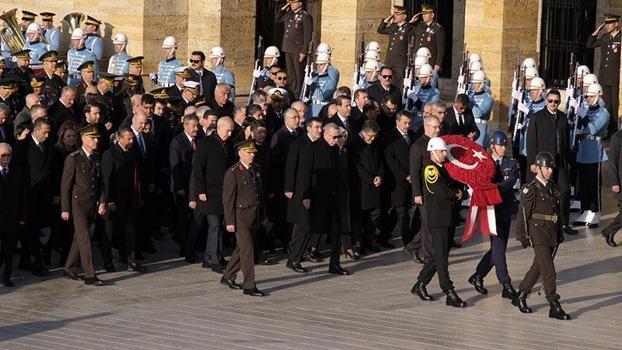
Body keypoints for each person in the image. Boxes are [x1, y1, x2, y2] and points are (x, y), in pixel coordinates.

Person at [513, 151, 571, 320]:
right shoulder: (530, 189)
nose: (550, 171)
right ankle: (554, 304)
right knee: (548, 270)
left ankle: (521, 295)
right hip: (537, 232)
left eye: (551, 168)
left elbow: (556, 212)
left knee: (538, 267)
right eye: (546, 168)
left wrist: (559, 233)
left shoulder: (552, 187)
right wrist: (522, 235)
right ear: (537, 168)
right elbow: (523, 214)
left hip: (551, 231)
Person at [411, 137, 466, 308]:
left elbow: (451, 184)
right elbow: (442, 191)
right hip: (438, 217)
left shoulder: (442, 168)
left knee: (439, 254)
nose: (444, 154)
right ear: (433, 151)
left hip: (446, 216)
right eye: (442, 151)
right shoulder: (430, 169)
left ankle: (420, 284)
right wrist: (459, 194)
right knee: (441, 257)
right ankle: (448, 290)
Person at [468, 130, 519, 300]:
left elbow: (510, 182)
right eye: (500, 145)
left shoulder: (511, 163)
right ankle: (505, 283)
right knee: (498, 246)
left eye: (505, 145)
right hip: (490, 210)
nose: (503, 148)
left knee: (499, 248)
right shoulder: (485, 163)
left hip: (505, 208)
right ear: (492, 146)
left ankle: (478, 275)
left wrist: (493, 188)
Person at [301, 123, 351, 275]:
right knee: (310, 228)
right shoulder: (313, 147)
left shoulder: (336, 150)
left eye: (339, 137)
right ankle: (296, 256)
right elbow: (305, 172)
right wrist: (306, 195)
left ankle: (334, 264)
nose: (337, 140)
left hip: (334, 195)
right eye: (334, 137)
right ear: (325, 134)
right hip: (317, 195)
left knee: (336, 229)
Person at [526, 89, 577, 236]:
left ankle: (564, 223)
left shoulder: (562, 117)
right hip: (543, 162)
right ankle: (538, 222)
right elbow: (531, 142)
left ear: (559, 102)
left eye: (556, 101)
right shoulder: (537, 117)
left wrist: (568, 161)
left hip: (559, 161)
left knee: (564, 190)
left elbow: (566, 140)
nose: (553, 104)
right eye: (550, 101)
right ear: (546, 101)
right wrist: (532, 162)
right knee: (542, 192)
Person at [220, 140, 267, 297]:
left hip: (253, 215)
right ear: (240, 153)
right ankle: (249, 285)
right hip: (240, 217)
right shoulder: (232, 172)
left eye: (253, 152)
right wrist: (230, 221)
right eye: (248, 152)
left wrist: (263, 215)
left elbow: (259, 194)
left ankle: (228, 276)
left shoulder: (256, 169)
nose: (252, 155)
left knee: (241, 249)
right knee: (248, 250)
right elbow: (228, 199)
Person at [61, 125, 106, 286]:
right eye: (92, 138)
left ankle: (69, 268)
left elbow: (100, 183)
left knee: (78, 238)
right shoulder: (73, 158)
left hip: (91, 204)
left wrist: (102, 201)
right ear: (83, 139)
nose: (96, 141)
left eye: (97, 138)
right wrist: (65, 208)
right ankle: (90, 274)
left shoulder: (96, 157)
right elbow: (65, 185)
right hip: (77, 204)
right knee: (85, 238)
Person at [191, 117, 235, 273]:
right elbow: (198, 168)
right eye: (227, 130)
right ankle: (213, 260)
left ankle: (212, 256)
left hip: (223, 193)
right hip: (208, 193)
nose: (229, 134)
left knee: (220, 224)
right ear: (219, 127)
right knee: (214, 224)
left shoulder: (229, 143)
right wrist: (200, 191)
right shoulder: (206, 143)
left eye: (231, 131)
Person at [101, 127, 147, 272]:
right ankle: (107, 261)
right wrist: (107, 200)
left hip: (129, 200)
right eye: (129, 138)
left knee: (130, 231)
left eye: (132, 138)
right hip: (114, 201)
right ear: (120, 138)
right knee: (109, 232)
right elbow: (106, 179)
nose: (132, 141)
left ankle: (130, 260)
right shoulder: (110, 154)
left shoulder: (130, 153)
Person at [13, 118, 54, 277]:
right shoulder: (22, 146)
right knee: (30, 230)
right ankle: (35, 261)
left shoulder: (48, 146)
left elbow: (53, 169)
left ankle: (29, 259)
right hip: (28, 195)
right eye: (45, 132)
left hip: (44, 195)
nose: (47, 135)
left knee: (37, 229)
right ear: (36, 130)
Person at [285, 117, 323, 273]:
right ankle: (293, 258)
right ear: (308, 128)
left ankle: (298, 254)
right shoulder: (299, 144)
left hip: (315, 191)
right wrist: (289, 188)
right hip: (301, 192)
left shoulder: (320, 145)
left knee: (306, 227)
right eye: (316, 127)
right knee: (303, 226)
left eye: (321, 127)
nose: (319, 130)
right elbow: (290, 167)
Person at [405, 115, 441, 263]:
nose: (438, 130)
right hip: (424, 192)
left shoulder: (438, 143)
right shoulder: (418, 146)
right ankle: (428, 255)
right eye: (435, 127)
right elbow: (414, 171)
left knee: (431, 222)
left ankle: (413, 246)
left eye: (439, 127)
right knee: (427, 223)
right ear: (427, 127)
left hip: (436, 190)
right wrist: (417, 193)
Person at [573, 83, 609, 228]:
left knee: (593, 185)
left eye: (591, 96)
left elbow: (593, 129)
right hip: (582, 152)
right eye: (587, 96)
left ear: (598, 96)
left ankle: (595, 212)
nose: (588, 99)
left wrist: (583, 117)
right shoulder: (586, 110)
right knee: (584, 185)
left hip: (595, 152)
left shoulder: (603, 113)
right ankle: (586, 210)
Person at [382, 111, 417, 248]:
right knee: (402, 213)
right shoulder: (389, 137)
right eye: (405, 123)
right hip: (397, 181)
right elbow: (390, 160)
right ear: (397, 122)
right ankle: (408, 242)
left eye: (409, 123)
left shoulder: (412, 136)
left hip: (411, 180)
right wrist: (404, 176)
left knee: (399, 212)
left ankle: (384, 235)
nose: (407, 126)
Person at [350, 119, 384, 254]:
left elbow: (380, 161)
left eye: (375, 135)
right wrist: (370, 179)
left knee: (375, 213)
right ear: (363, 132)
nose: (373, 138)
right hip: (361, 186)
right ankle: (359, 243)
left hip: (375, 185)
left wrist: (380, 175)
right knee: (360, 217)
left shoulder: (375, 143)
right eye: (370, 135)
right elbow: (356, 166)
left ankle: (369, 240)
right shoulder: (354, 144)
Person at [169, 115, 200, 262]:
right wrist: (179, 187)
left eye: (197, 125)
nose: (196, 129)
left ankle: (190, 246)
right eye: (193, 126)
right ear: (185, 126)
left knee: (193, 218)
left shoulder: (198, 141)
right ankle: (184, 246)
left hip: (194, 185)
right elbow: (175, 165)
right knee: (182, 218)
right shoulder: (178, 141)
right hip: (182, 186)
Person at [586, 13, 620, 135]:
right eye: (605, 23)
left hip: (616, 77)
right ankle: (606, 130)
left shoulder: (620, 38)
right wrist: (597, 30)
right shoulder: (605, 37)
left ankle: (614, 132)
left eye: (609, 23)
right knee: (606, 105)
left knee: (615, 106)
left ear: (616, 24)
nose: (607, 25)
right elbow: (590, 44)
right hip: (604, 76)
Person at [0, 143, 28, 287]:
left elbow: (23, 195)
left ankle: (6, 277)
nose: (6, 158)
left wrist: (22, 217)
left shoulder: (16, 172)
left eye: (8, 155)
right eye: (3, 156)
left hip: (12, 218)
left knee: (9, 251)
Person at [276, 0, 313, 97]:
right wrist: (285, 7)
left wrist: (304, 51)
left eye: (293, 2)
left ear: (300, 3)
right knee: (290, 72)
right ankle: (291, 91)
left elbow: (307, 36)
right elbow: (278, 18)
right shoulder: (289, 14)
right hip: (288, 47)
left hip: (297, 49)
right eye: (291, 3)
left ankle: (297, 94)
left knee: (298, 73)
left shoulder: (305, 16)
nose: (292, 5)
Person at [377, 6, 414, 89]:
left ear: (404, 16)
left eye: (398, 15)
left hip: (400, 61)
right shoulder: (394, 26)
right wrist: (387, 20)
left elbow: (411, 30)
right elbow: (380, 30)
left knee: (399, 83)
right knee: (389, 81)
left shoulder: (408, 27)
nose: (395, 16)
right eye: (395, 14)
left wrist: (410, 23)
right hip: (390, 60)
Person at [410, 4, 445, 73]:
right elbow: (408, 34)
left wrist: (438, 64)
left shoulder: (437, 28)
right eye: (423, 14)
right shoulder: (419, 26)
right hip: (417, 62)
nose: (424, 16)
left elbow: (440, 49)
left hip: (429, 62)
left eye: (426, 14)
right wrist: (411, 22)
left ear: (432, 15)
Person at [603, 126, 622, 247]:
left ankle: (608, 231)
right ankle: (609, 231)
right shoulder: (617, 137)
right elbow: (612, 162)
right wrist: (614, 182)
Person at [468, 70, 494, 147]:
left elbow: (478, 113)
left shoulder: (488, 98)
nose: (473, 85)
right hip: (470, 125)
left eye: (476, 83)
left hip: (480, 127)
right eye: (472, 83)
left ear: (482, 84)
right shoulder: (471, 95)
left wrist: (469, 102)